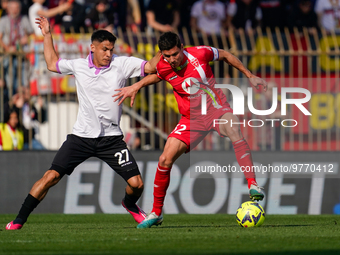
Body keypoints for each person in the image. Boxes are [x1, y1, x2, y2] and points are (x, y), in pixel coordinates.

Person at [5, 16, 159, 230]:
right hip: (81, 138)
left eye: (111, 50)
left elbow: (152, 67)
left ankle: (130, 204)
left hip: (111, 139)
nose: (109, 54)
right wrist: (48, 34)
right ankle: (19, 219)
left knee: (137, 185)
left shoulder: (121, 64)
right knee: (51, 176)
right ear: (92, 48)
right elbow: (51, 64)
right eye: (105, 49)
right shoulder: (78, 66)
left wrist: (163, 50)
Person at [113, 32, 267, 228]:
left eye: (175, 54)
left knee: (234, 129)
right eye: (166, 56)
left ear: (182, 47)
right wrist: (136, 86)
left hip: (214, 108)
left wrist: (249, 75)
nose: (171, 59)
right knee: (164, 159)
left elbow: (226, 55)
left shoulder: (200, 54)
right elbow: (157, 76)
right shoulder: (164, 64)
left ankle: (253, 184)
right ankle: (156, 213)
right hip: (191, 119)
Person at [0, 0, 33, 95]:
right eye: (12, 8)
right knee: (11, 81)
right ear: (8, 9)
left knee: (24, 81)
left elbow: (31, 34)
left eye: (17, 8)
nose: (14, 11)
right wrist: (8, 48)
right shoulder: (3, 21)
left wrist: (26, 39)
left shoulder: (24, 19)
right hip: (8, 55)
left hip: (22, 55)